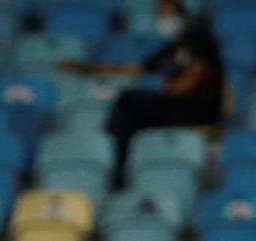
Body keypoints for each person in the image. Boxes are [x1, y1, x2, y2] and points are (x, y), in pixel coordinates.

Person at [63, 0, 223, 172]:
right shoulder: (172, 47)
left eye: (168, 14)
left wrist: (160, 90)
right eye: (160, 15)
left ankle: (115, 165)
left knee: (129, 101)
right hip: (177, 106)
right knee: (129, 107)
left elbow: (189, 82)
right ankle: (120, 162)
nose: (164, 20)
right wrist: (86, 68)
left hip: (198, 108)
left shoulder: (197, 38)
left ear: (181, 15)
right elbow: (136, 69)